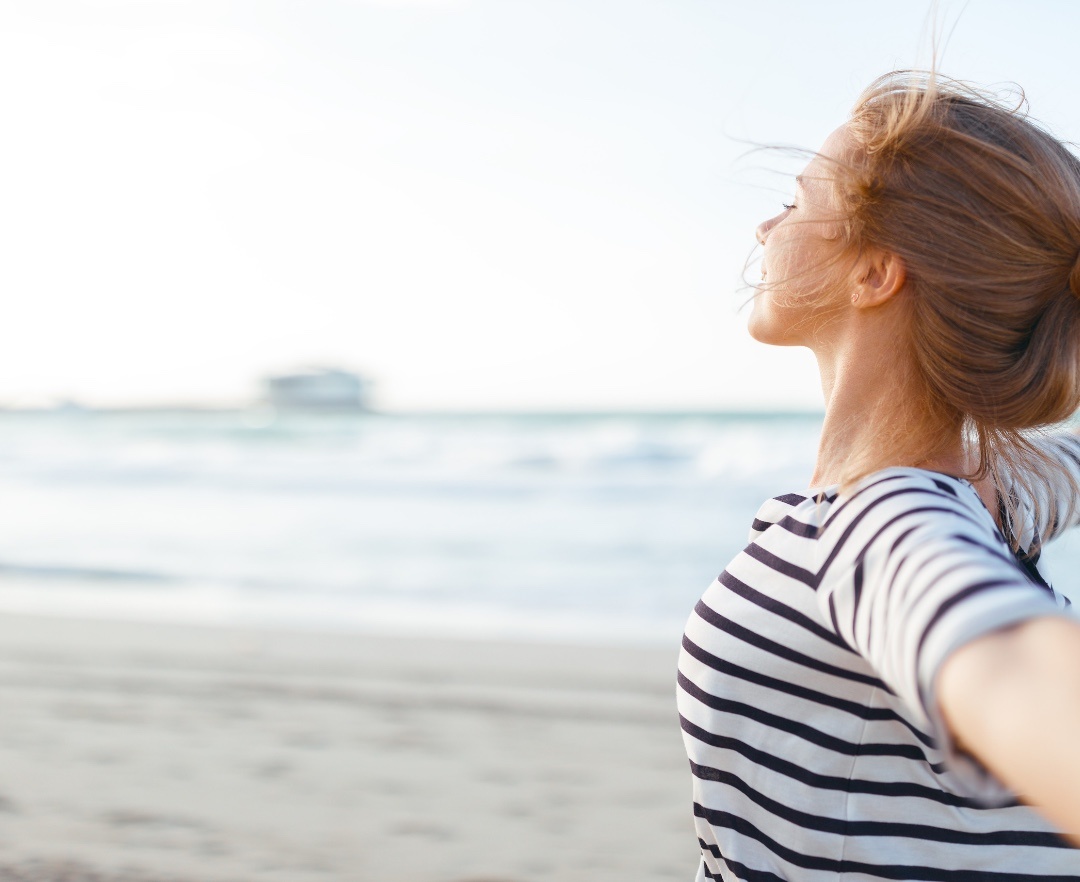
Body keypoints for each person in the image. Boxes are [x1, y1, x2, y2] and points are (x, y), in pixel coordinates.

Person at [677, 70, 1080, 881]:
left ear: (874, 275)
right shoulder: (995, 488)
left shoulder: (884, 521)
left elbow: (1016, 676)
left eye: (795, 200)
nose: (766, 226)